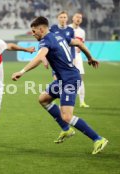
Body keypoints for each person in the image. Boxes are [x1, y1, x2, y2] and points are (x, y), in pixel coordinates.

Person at [11, 16, 108, 154]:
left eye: (34, 31)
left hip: (70, 80)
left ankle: (98, 139)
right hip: (62, 80)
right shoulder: (58, 35)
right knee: (43, 99)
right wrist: (90, 57)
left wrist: (22, 71)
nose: (33, 34)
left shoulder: (46, 40)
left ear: (41, 29)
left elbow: (39, 57)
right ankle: (66, 130)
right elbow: (79, 44)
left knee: (67, 116)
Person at [69, 12, 89, 108]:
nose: (78, 19)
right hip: (67, 56)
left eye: (80, 18)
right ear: (72, 18)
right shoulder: (67, 28)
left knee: (80, 78)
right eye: (77, 17)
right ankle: (65, 100)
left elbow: (82, 44)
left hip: (78, 57)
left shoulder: (82, 32)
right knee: (67, 78)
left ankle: (82, 102)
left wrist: (79, 48)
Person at [50, 11, 75, 80]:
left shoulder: (70, 30)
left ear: (67, 19)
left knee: (67, 81)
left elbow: (73, 46)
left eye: (64, 17)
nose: (63, 19)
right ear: (58, 18)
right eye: (61, 17)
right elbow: (49, 43)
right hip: (56, 58)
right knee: (57, 82)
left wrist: (74, 58)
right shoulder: (53, 28)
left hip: (67, 58)